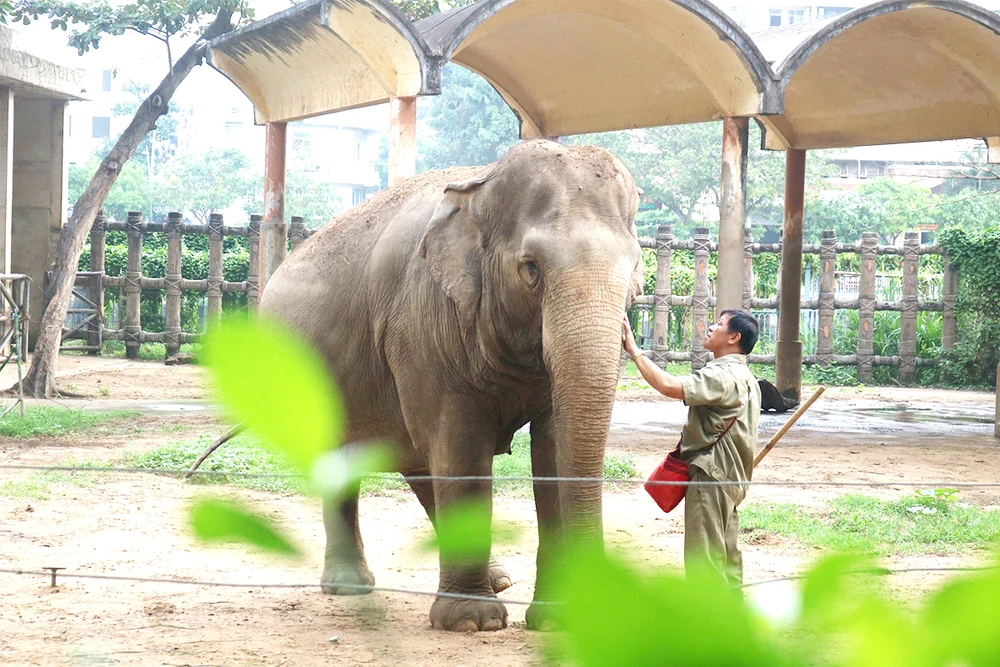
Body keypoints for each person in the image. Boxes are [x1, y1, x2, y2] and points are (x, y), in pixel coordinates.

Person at [622, 309, 761, 586]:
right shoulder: (748, 378)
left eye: (719, 324)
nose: (711, 327)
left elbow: (668, 385)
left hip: (710, 476)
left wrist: (633, 350)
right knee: (727, 559)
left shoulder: (721, 376)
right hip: (732, 480)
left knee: (704, 561)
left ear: (734, 337)